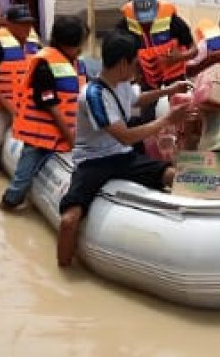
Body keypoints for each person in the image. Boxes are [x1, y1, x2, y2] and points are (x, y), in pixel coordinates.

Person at [56, 30, 190, 267]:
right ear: (122, 63)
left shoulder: (122, 83)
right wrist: (167, 120)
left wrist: (169, 90)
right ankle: (63, 274)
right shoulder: (93, 95)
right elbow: (126, 137)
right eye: (134, 63)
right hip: (93, 161)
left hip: (121, 156)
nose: (137, 68)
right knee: (69, 220)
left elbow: (137, 99)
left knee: (173, 175)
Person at [0, 15, 88, 211]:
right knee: (23, 176)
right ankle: (9, 201)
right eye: (79, 43)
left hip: (63, 135)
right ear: (67, 43)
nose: (82, 48)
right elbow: (50, 104)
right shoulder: (44, 64)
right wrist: (70, 136)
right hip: (39, 138)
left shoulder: (76, 63)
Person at [117, 0, 197, 124]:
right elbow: (120, 51)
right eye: (142, 19)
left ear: (157, 8)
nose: (146, 23)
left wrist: (179, 58)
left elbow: (194, 50)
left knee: (180, 109)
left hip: (174, 74)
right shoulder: (126, 24)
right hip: (147, 75)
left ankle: (180, 139)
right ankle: (148, 139)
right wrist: (135, 72)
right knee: (147, 114)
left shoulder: (173, 21)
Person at [0, 4, 41, 170]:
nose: (27, 28)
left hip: (30, 106)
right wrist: (12, 111)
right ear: (10, 25)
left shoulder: (36, 47)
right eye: (22, 24)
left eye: (29, 23)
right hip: (3, 107)